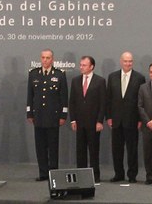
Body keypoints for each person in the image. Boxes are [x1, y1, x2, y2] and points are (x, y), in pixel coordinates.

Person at [26, 50, 67, 181]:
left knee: (53, 146)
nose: (45, 60)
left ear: (52, 59)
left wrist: (63, 115)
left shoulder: (59, 75)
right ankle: (43, 173)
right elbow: (29, 96)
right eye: (43, 57)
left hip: (53, 117)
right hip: (38, 116)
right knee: (40, 147)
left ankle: (53, 173)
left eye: (48, 58)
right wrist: (29, 112)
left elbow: (64, 97)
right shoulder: (33, 74)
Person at [106, 51, 146, 183]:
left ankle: (132, 175)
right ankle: (119, 174)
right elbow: (109, 99)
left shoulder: (139, 78)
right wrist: (109, 117)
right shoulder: (112, 77)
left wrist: (140, 119)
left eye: (130, 61)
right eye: (125, 61)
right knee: (116, 149)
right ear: (120, 61)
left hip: (132, 120)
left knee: (132, 149)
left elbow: (142, 101)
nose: (128, 63)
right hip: (116, 120)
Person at [69, 56, 106, 180]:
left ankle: (95, 176)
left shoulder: (100, 81)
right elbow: (72, 102)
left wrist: (100, 121)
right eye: (80, 65)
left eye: (84, 65)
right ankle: (81, 176)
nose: (81, 67)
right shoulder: (75, 81)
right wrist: (73, 119)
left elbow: (103, 103)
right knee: (80, 151)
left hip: (94, 122)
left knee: (94, 150)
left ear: (91, 67)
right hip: (79, 122)